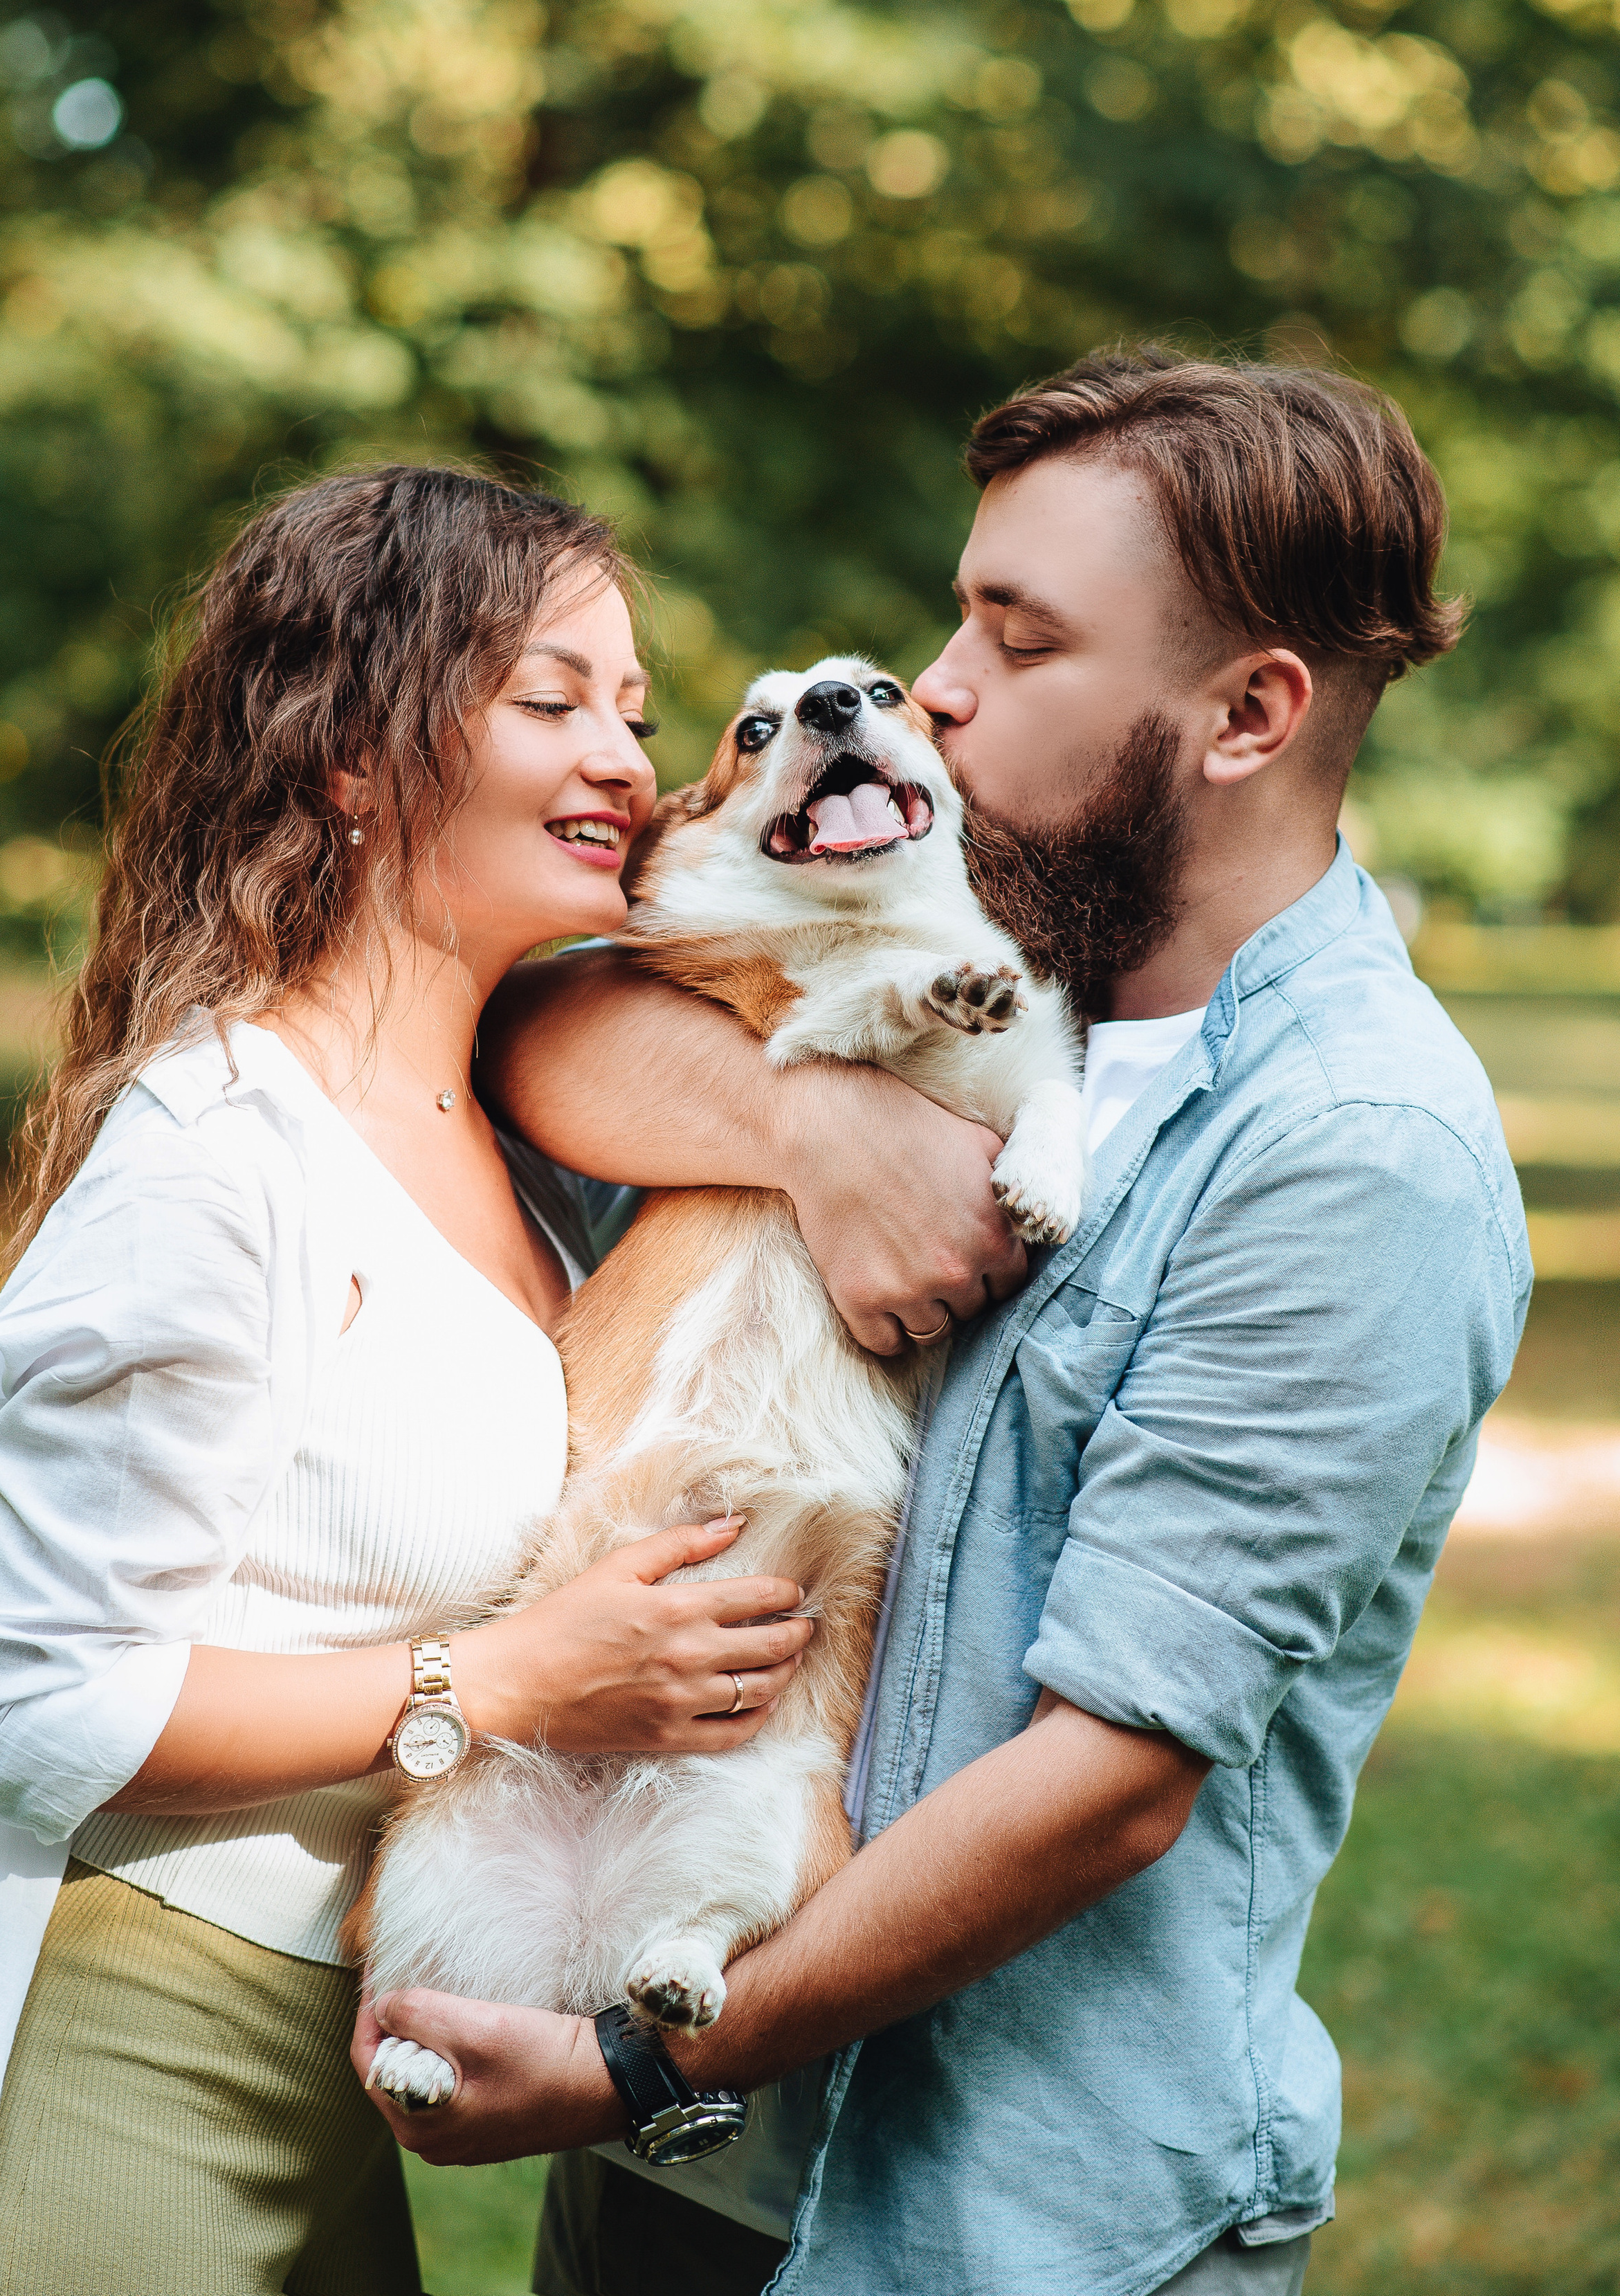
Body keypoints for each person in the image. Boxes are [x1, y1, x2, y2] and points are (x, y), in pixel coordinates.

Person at [352, 351, 1531, 2296]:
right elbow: (537, 1022)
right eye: (960, 612)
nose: (943, 687)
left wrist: (640, 2061)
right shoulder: (936, 938)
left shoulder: (1352, 1155)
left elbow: (1111, 1781)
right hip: (681, 2172)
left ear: (1248, 713)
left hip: (996, 2213)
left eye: (1021, 637)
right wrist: (805, 1126)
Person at [0, 467, 819, 2295]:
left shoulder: (522, 1142)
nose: (627, 758)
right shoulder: (221, 1160)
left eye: (635, 709)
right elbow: (30, 1708)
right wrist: (516, 1681)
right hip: (111, 2017)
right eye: (552, 700)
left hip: (333, 2051)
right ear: (354, 756)